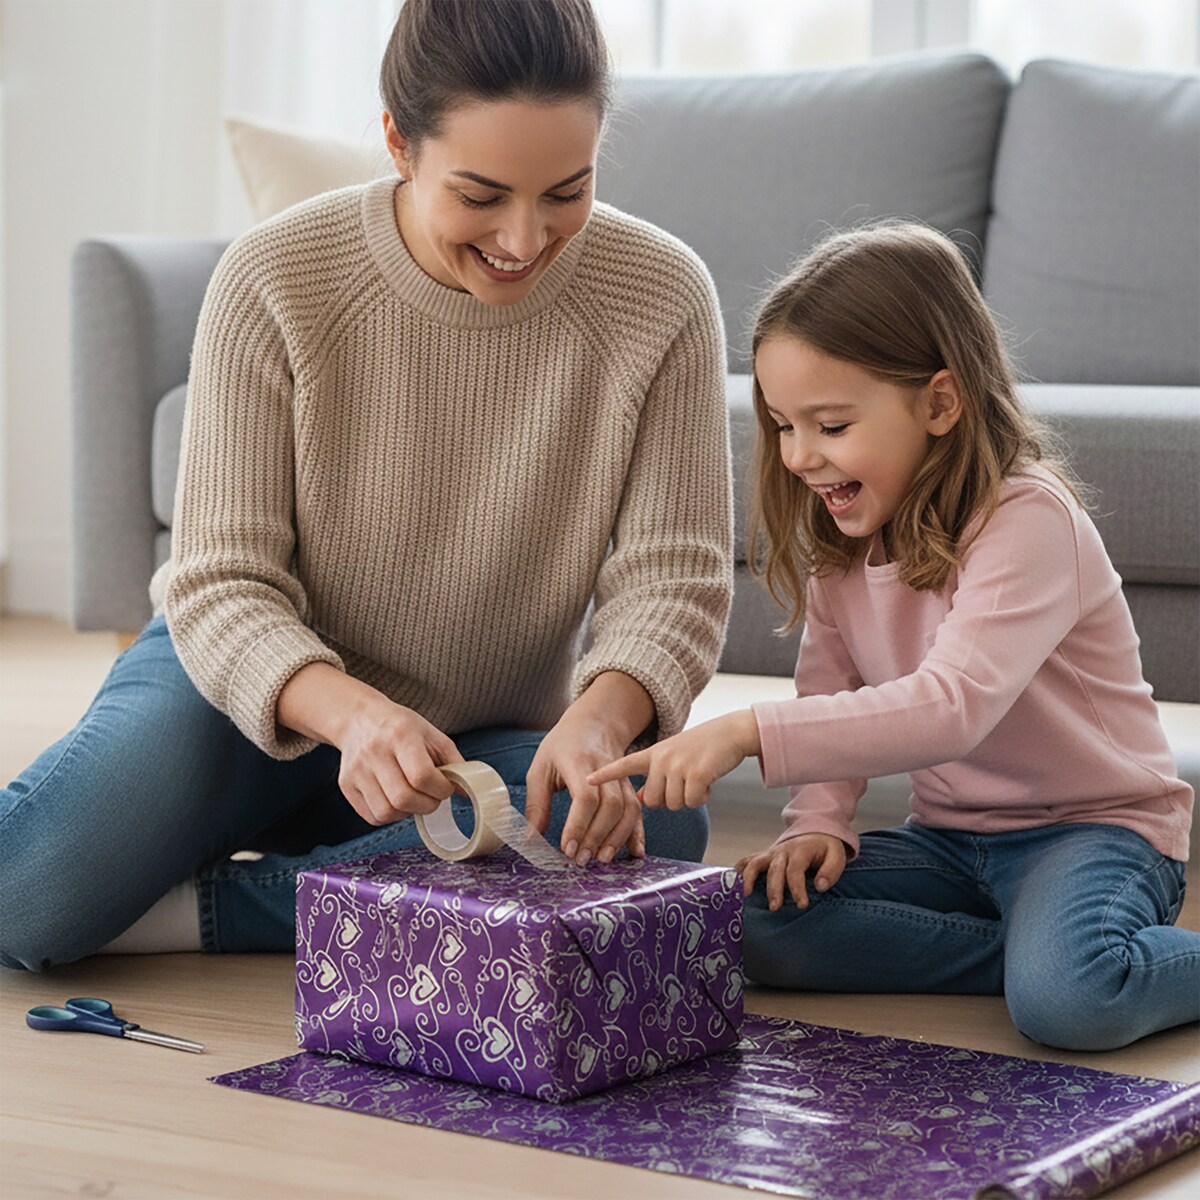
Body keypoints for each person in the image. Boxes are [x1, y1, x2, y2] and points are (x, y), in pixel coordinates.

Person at [0, 0, 732, 971]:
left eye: (567, 191)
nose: (524, 238)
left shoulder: (664, 295)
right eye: (481, 194)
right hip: (246, 701)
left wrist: (599, 722)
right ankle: (302, 872)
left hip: (469, 745)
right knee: (22, 904)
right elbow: (220, 581)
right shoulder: (274, 276)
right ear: (397, 142)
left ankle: (209, 907)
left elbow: (673, 577)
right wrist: (352, 715)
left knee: (650, 831)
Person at [590, 222, 1198, 1052]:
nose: (801, 456)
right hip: (950, 843)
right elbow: (831, 691)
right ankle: (1026, 957)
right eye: (783, 426)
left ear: (939, 403)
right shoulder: (844, 540)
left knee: (1074, 1005)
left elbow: (950, 708)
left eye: (831, 426)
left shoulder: (1028, 518)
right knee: (754, 921)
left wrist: (743, 733)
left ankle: (1060, 964)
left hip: (1094, 831)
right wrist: (816, 822)